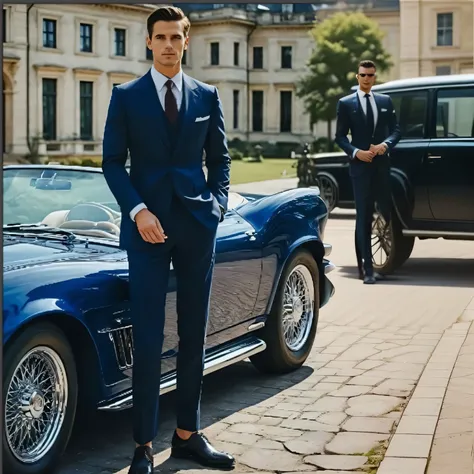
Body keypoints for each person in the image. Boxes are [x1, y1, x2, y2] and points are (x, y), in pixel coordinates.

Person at [102, 6, 234, 474]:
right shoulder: (126, 96)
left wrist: (216, 207)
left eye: (175, 37)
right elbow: (113, 163)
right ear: (148, 42)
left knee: (195, 332)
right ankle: (142, 447)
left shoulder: (206, 95)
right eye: (160, 37)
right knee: (149, 336)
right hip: (147, 231)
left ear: (186, 41)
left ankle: (187, 436)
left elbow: (219, 160)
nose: (167, 45)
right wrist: (137, 212)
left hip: (197, 227)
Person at [335, 60, 401, 284]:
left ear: (375, 77)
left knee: (385, 212)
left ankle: (382, 261)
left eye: (370, 75)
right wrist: (355, 152)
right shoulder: (345, 104)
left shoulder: (384, 101)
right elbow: (340, 137)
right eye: (363, 75)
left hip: (382, 167)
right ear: (357, 77)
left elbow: (396, 130)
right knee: (363, 217)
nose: (366, 79)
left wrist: (385, 145)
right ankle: (367, 269)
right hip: (360, 169)